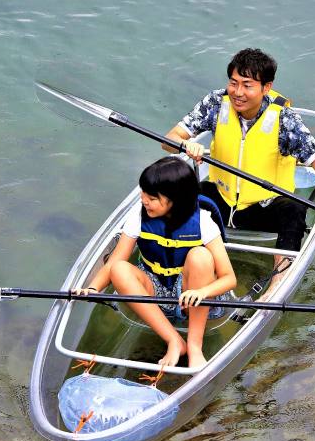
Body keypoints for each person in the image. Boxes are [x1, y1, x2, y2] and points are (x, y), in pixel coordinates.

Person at [163, 48, 315, 294]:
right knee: (178, 194)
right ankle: (172, 266)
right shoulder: (215, 103)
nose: (238, 92)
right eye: (234, 83)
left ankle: (277, 284)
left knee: (294, 209)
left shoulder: (285, 120)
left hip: (263, 207)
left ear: (266, 87)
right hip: (221, 198)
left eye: (247, 85)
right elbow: (168, 140)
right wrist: (185, 144)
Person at [73, 156, 237, 370]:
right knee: (119, 268)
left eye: (152, 197)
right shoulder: (138, 218)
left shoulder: (204, 222)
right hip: (156, 291)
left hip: (196, 297)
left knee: (201, 256)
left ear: (175, 199)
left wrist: (203, 293)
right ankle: (174, 341)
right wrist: (93, 289)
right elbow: (114, 263)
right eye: (143, 192)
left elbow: (229, 279)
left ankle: (194, 346)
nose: (143, 200)